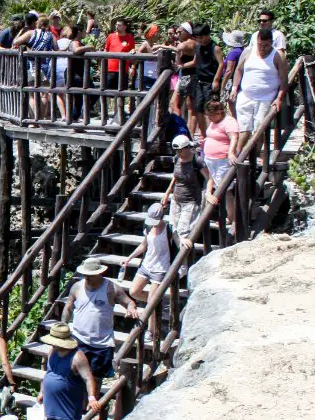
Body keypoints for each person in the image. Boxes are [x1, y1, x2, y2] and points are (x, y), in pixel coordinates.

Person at [62, 260, 140, 384]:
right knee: (75, 376)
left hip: (102, 343)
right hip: (79, 338)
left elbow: (129, 301)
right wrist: (64, 325)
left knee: (96, 379)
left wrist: (131, 308)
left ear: (99, 273)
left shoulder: (111, 288)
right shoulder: (77, 286)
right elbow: (68, 307)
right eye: (85, 274)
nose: (87, 277)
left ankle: (93, 402)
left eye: (90, 275)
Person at [37, 323, 101, 420]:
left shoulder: (77, 357)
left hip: (67, 410)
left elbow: (88, 378)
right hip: (50, 406)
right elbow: (48, 373)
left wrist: (91, 398)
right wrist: (42, 391)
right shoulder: (53, 351)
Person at [120, 203, 172, 346]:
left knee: (151, 302)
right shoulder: (148, 227)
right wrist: (129, 258)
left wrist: (186, 241)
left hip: (160, 268)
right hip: (146, 265)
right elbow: (143, 246)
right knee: (134, 291)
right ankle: (157, 303)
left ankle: (151, 331)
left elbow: (179, 242)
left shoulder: (168, 229)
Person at [229, 27, 287, 149]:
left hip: (265, 97)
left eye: (266, 45)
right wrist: (234, 88)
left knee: (259, 129)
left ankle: (255, 158)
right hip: (245, 95)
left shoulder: (277, 56)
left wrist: (279, 98)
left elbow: (283, 79)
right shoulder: (248, 51)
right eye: (260, 44)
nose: (262, 48)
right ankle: (239, 156)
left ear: (271, 42)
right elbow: (239, 70)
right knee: (243, 129)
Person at [160, 135, 209, 267]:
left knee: (183, 232)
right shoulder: (177, 159)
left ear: (188, 148)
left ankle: (183, 266)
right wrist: (167, 193)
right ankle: (184, 263)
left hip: (191, 201)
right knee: (174, 229)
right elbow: (175, 177)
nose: (178, 153)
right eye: (176, 151)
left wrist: (208, 193)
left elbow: (209, 178)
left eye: (180, 150)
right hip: (176, 199)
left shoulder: (197, 161)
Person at [202, 99, 241, 224]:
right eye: (209, 115)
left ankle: (230, 217)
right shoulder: (213, 122)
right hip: (210, 159)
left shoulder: (229, 121)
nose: (210, 118)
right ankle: (210, 198)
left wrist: (231, 153)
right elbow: (212, 135)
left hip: (222, 159)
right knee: (211, 181)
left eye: (212, 115)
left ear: (220, 111)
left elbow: (234, 138)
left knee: (224, 189)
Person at [12, 14, 55, 120]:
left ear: (37, 23)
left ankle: (34, 119)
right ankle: (41, 119)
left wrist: (21, 33)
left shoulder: (31, 33)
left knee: (32, 95)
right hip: (45, 66)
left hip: (32, 66)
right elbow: (57, 48)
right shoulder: (50, 35)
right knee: (44, 95)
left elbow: (15, 42)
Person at [191, 24, 223, 135]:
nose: (199, 40)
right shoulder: (198, 47)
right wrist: (181, 65)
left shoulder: (215, 48)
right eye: (197, 37)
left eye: (200, 37)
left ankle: (211, 134)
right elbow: (195, 62)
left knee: (209, 109)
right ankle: (203, 134)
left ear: (207, 35)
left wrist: (216, 80)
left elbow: (221, 64)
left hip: (210, 82)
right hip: (199, 81)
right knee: (198, 108)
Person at [103, 19, 136, 120]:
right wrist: (103, 65)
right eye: (116, 25)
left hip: (123, 70)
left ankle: (118, 115)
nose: (117, 27)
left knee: (121, 93)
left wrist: (133, 67)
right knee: (106, 92)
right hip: (110, 68)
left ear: (125, 27)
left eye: (119, 25)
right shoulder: (111, 36)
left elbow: (133, 52)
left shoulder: (129, 38)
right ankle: (105, 114)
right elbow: (106, 49)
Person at [172, 23, 197, 123]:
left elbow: (179, 49)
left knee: (187, 106)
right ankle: (182, 128)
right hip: (185, 75)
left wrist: (160, 45)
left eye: (179, 32)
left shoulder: (189, 43)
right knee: (180, 105)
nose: (177, 34)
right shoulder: (190, 42)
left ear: (187, 32)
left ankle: (183, 129)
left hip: (189, 76)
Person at [133, 24, 163, 92]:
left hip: (153, 75)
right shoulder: (145, 44)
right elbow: (137, 57)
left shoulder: (155, 44)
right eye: (156, 32)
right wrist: (133, 67)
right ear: (151, 33)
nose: (158, 34)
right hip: (145, 76)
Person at [220, 30, 246, 99]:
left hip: (231, 81)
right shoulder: (243, 50)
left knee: (230, 103)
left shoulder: (233, 53)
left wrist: (222, 86)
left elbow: (229, 71)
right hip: (240, 81)